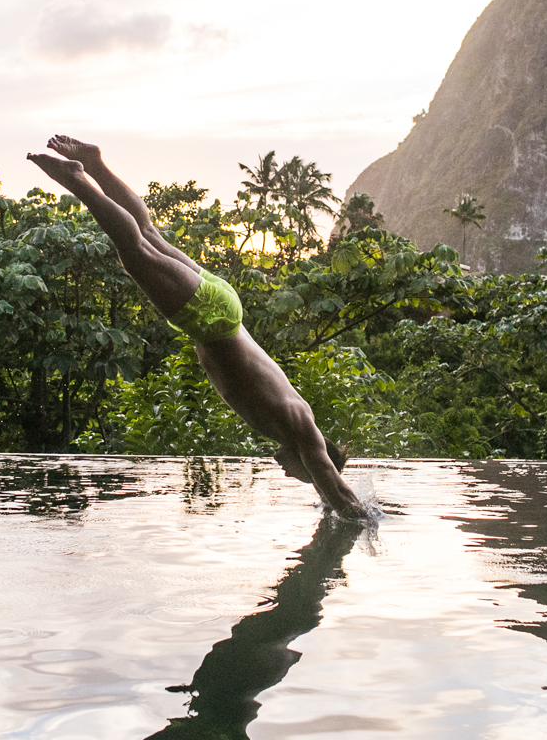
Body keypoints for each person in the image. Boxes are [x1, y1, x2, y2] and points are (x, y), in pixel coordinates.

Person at [28, 135, 367, 519]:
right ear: (313, 464)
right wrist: (362, 516)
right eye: (303, 476)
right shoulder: (304, 433)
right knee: (135, 252)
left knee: (149, 234)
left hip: (222, 308)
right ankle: (78, 179)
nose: (288, 473)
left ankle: (96, 164)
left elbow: (328, 485)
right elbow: (341, 494)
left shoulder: (296, 423)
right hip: (211, 320)